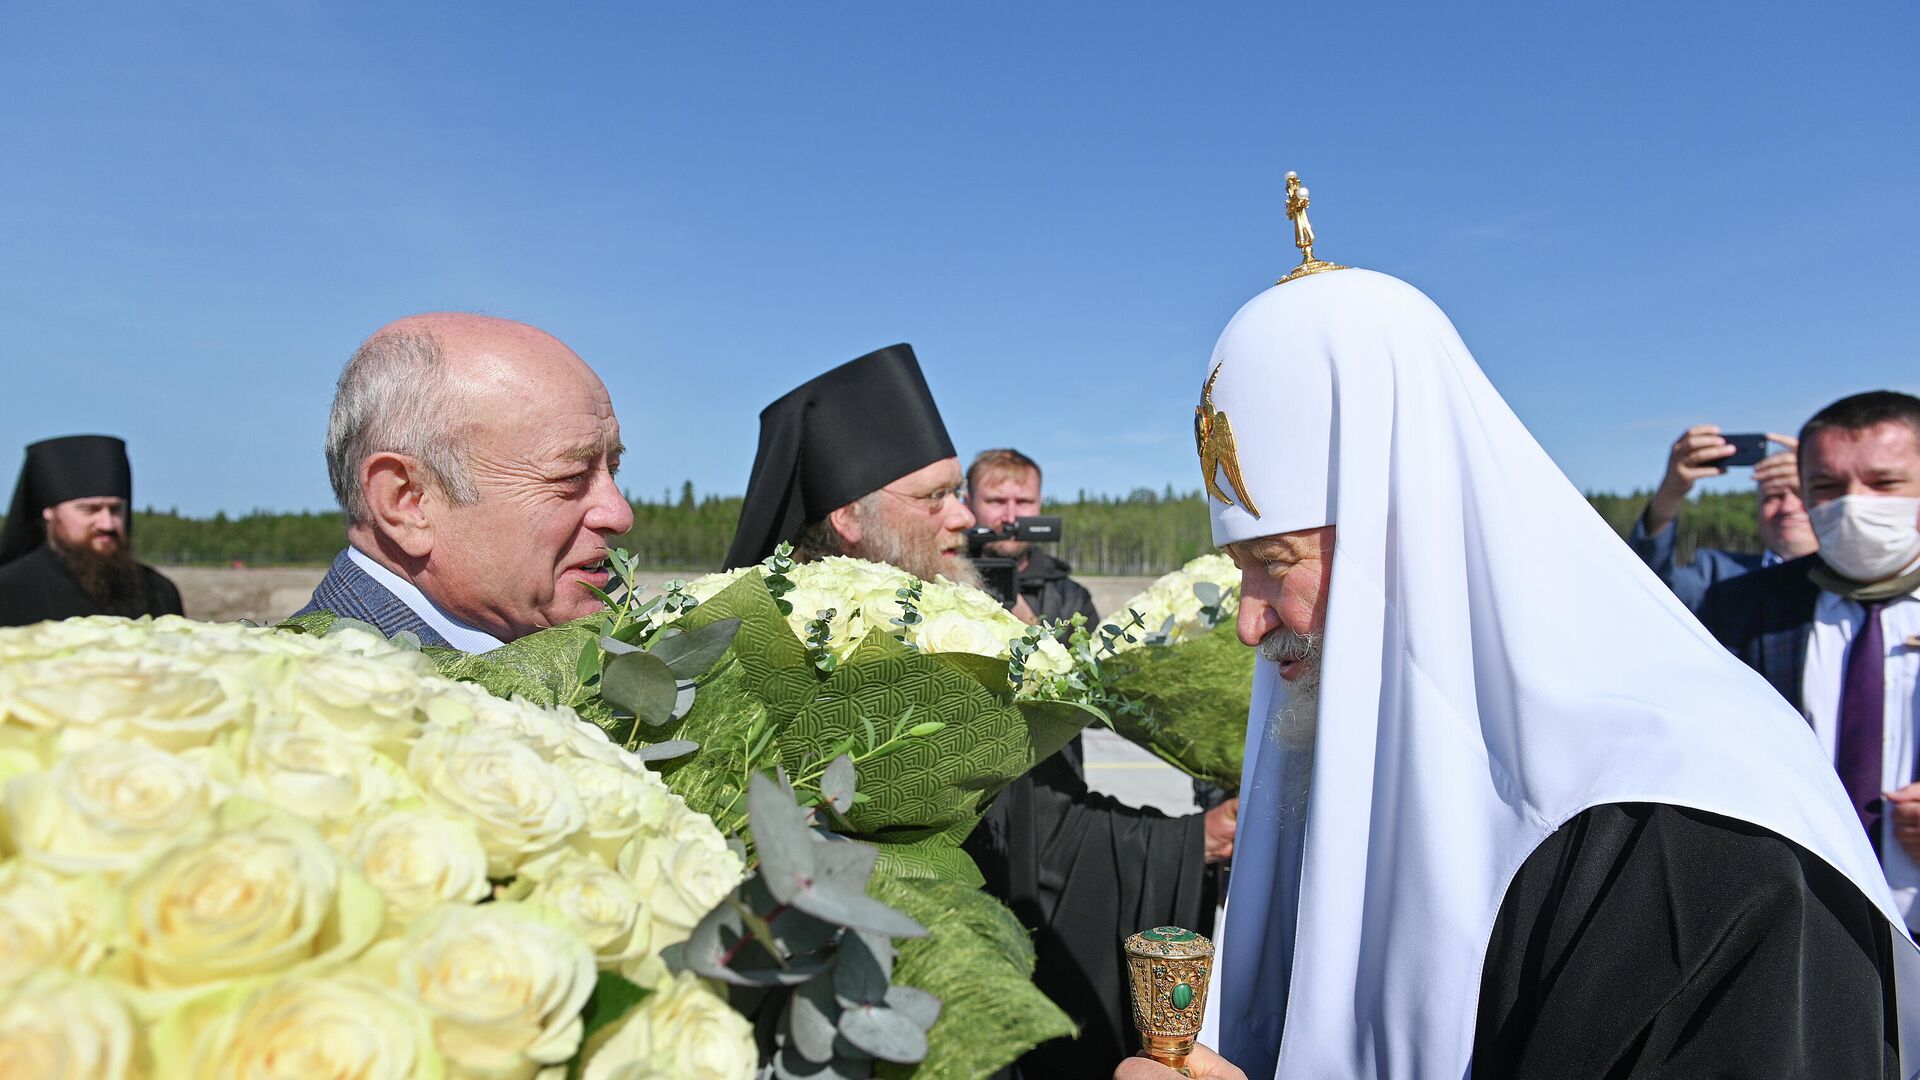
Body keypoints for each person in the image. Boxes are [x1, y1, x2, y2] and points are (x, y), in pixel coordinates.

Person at [1121, 250, 1918, 1079]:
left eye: (1276, 561)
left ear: (1410, 540)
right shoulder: (1362, 769)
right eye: (1239, 567)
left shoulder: (1693, 835)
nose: (1250, 623)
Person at [727, 344, 1235, 1080]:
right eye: (935, 497)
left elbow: (1032, 829)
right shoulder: (777, 649)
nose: (963, 516)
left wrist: (1191, 841)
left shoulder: (951, 627)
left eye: (957, 492)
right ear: (846, 516)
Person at [1698, 390, 1920, 929]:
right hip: (1796, 928)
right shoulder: (1743, 608)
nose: (1853, 503)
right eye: (1825, 486)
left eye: (1885, 483)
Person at [293, 313, 632, 650]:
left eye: (611, 470)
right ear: (407, 501)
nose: (620, 514)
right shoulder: (316, 699)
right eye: (571, 476)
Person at [1627, 424, 1817, 610]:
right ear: (1757, 509)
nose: (1788, 507)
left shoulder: (1845, 582)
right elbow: (1649, 586)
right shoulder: (1716, 577)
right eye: (1772, 497)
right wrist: (1670, 493)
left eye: (1802, 493)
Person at [0, 434, 182, 625]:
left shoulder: (159, 591)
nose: (107, 524)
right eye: (89, 510)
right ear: (49, 511)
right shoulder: (7, 591)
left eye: (115, 509)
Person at [965, 448, 1098, 626]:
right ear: (968, 504)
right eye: (996, 501)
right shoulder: (940, 583)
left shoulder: (1072, 600)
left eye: (1023, 502)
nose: (1010, 518)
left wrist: (1030, 625)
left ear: (1039, 505)